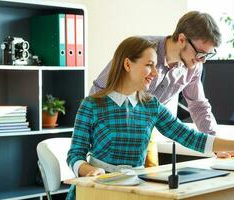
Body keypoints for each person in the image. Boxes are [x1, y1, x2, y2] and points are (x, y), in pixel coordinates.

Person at [66, 36, 234, 200]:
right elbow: (75, 154)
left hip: (135, 189)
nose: (155, 73)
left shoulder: (151, 105)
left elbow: (190, 136)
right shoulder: (92, 104)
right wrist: (88, 170)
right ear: (127, 64)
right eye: (149, 65)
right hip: (96, 190)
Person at [89, 11, 225, 164]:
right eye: (200, 53)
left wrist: (216, 144)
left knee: (149, 181)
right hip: (113, 129)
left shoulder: (193, 66)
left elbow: (198, 106)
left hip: (146, 132)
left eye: (207, 55)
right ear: (181, 39)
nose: (202, 60)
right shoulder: (141, 50)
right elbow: (100, 89)